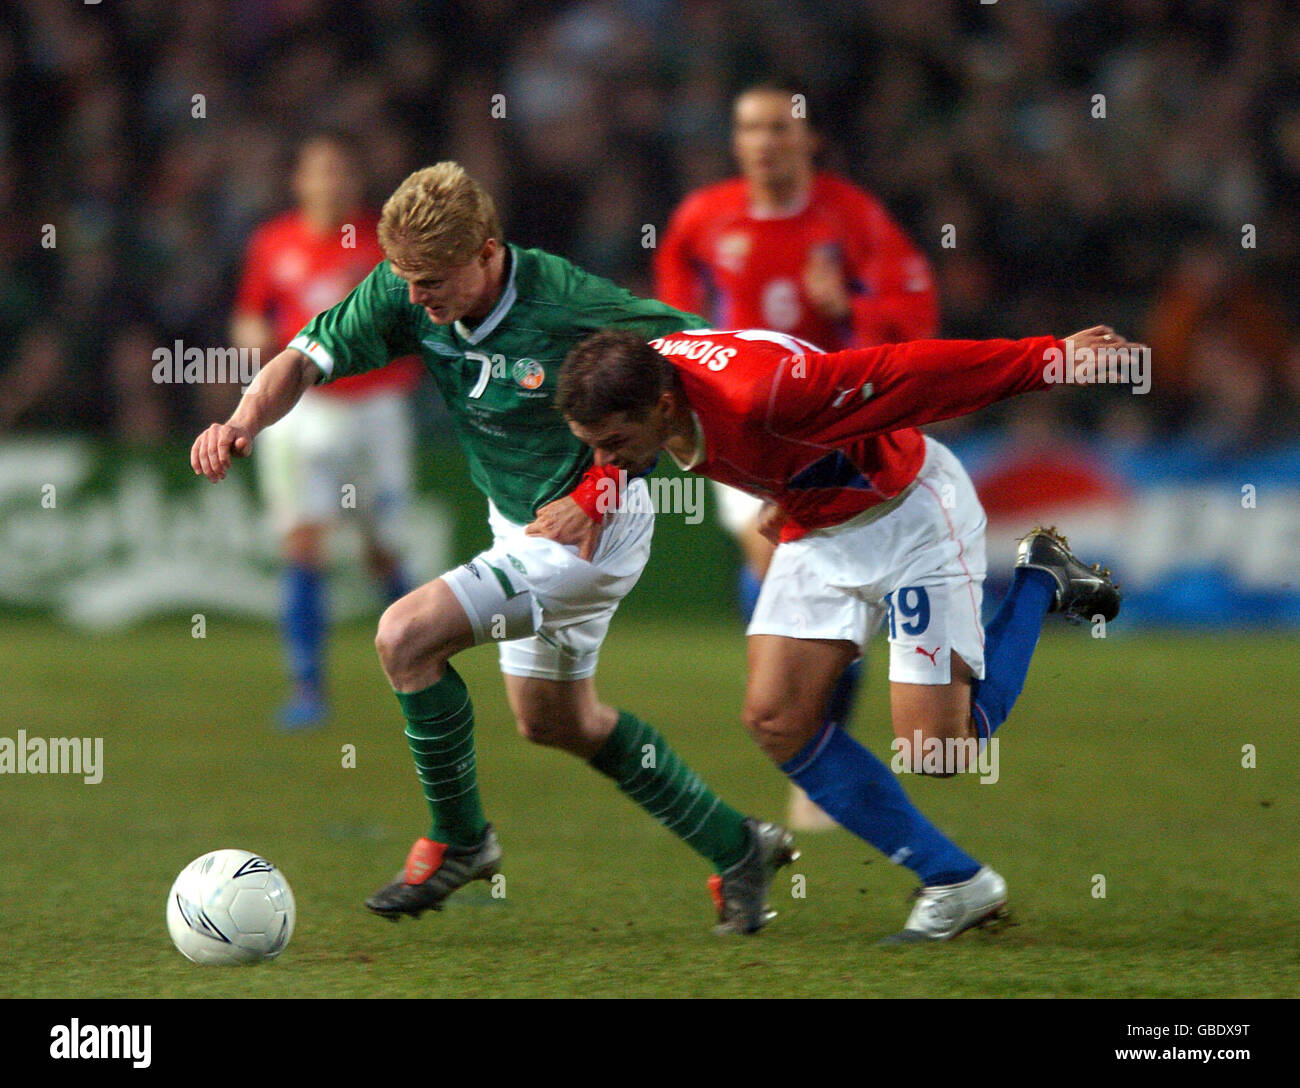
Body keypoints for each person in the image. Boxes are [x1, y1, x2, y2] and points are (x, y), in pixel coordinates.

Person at [193, 162, 795, 936]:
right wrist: (242, 421)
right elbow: (302, 360)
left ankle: (460, 840)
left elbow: (701, 355)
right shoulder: (403, 287)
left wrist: (617, 487)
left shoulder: (565, 301)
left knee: (404, 637)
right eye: (406, 278)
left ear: (486, 250)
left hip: (591, 532)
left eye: (433, 279)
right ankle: (737, 846)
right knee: (555, 721)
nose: (416, 298)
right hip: (522, 525)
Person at [547, 323, 1126, 941]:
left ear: (662, 407)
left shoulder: (756, 391)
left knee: (939, 751)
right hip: (815, 530)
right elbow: (641, 447)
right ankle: (956, 882)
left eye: (612, 445)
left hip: (909, 519)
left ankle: (1041, 577)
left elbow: (912, 373)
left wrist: (1048, 359)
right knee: (776, 718)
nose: (605, 459)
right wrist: (605, 487)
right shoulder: (644, 374)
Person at [655, 82, 938, 829]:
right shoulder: (701, 220)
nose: (763, 141)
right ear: (735, 140)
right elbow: (672, 315)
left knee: (809, 574)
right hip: (736, 423)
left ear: (808, 137)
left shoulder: (853, 216)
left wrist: (850, 308)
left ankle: (814, 745)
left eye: (779, 127)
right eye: (749, 127)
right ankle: (811, 733)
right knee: (773, 559)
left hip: (829, 423)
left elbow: (916, 312)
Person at [230, 132, 423, 729]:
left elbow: (418, 314)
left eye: (341, 171)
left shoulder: (382, 243)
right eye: (319, 171)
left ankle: (426, 667)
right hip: (302, 409)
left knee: (381, 549)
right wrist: (251, 343)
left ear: (356, 180)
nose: (330, 182)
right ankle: (307, 689)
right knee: (302, 540)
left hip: (377, 409)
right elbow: (249, 314)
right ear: (299, 180)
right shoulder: (274, 241)